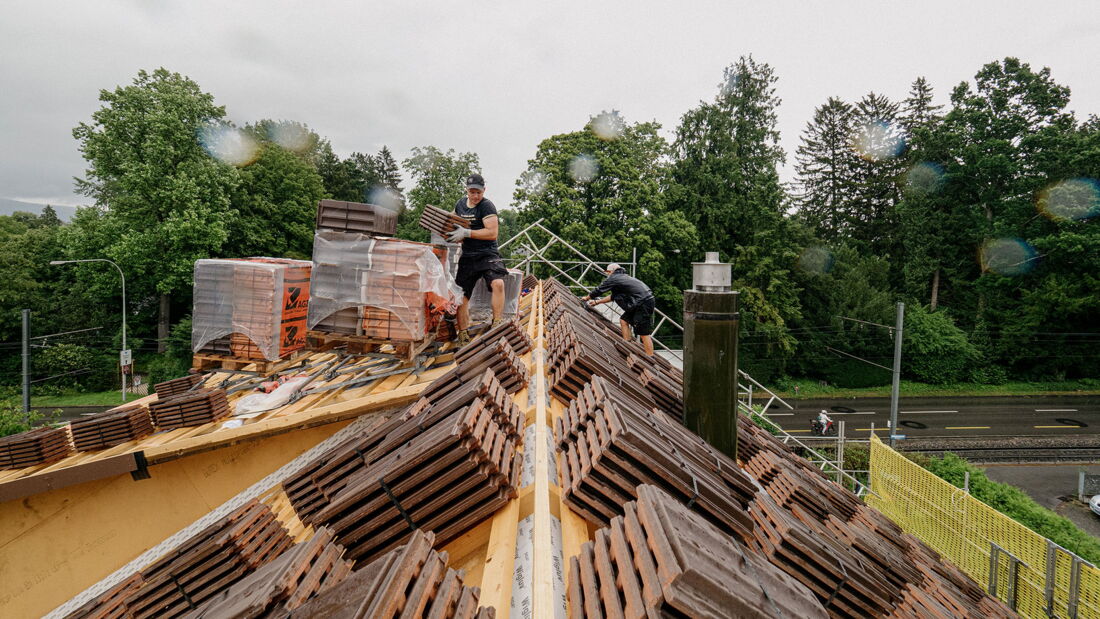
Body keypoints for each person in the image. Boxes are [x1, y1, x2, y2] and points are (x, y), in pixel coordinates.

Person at [446, 173, 507, 347]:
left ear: (484, 191)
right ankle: (463, 334)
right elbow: (451, 223)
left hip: (487, 254)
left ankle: (497, 323)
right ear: (466, 190)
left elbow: (492, 233)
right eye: (472, 192)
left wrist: (467, 233)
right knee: (461, 296)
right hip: (468, 256)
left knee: (498, 284)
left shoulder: (487, 206)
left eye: (478, 192)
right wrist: (453, 235)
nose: (475, 196)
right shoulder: (460, 205)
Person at [582, 264, 656, 356]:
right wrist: (597, 302)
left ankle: (650, 357)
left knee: (643, 332)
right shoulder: (621, 278)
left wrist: (587, 297)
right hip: (639, 302)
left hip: (643, 303)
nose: (607, 275)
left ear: (611, 271)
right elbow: (613, 296)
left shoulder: (614, 278)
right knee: (624, 320)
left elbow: (599, 290)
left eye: (608, 272)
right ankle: (627, 345)